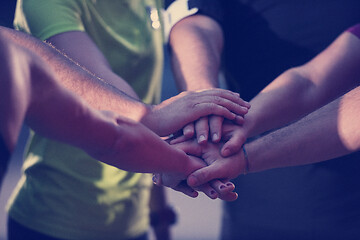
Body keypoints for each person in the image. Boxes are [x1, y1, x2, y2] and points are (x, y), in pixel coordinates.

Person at [6, 1, 249, 239]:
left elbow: (146, 99)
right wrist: (187, 157)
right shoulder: (43, 4)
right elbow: (121, 116)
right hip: (52, 223)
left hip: (133, 222)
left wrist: (159, 212)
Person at [164, 0, 360, 239]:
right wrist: (215, 110)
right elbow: (309, 83)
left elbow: (318, 88)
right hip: (258, 206)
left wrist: (239, 149)